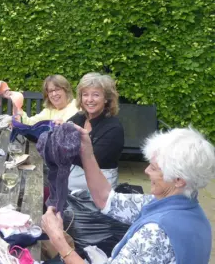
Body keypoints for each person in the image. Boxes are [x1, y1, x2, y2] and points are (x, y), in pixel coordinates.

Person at [42, 125, 214, 263]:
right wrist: (87, 152)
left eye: (154, 168)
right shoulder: (186, 210)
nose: (146, 171)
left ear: (179, 180)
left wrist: (59, 241)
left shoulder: (157, 232)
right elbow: (106, 199)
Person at [67, 73, 124, 191]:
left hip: (96, 192)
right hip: (72, 182)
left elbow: (91, 162)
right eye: (85, 95)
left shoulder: (113, 128)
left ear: (106, 99)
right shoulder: (79, 117)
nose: (89, 100)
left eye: (96, 95)